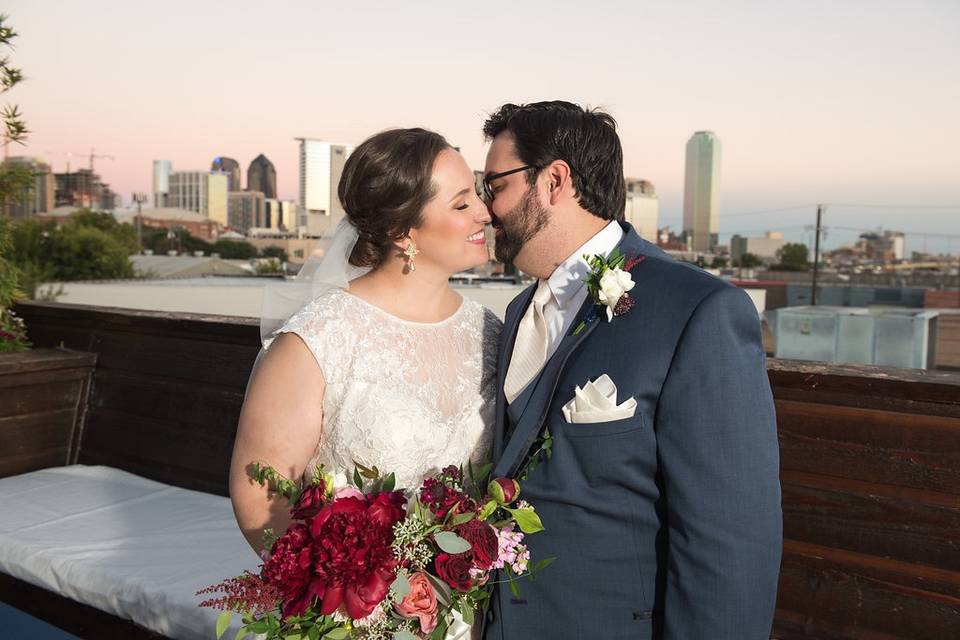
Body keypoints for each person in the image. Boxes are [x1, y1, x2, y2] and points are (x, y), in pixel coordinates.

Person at [480, 101, 782, 639]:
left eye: (494, 186)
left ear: (554, 181)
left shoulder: (698, 311)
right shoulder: (517, 311)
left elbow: (730, 541)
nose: (486, 210)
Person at [229, 128, 500, 592]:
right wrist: (356, 600)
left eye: (477, 194)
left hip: (471, 605)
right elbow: (261, 495)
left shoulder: (490, 332)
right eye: (461, 204)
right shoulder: (318, 339)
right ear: (402, 231)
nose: (485, 212)